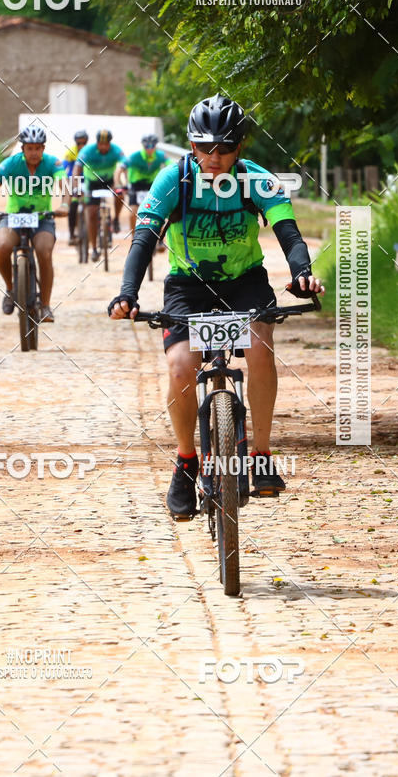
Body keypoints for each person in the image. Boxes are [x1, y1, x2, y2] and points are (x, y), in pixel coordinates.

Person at [108, 94, 325, 519]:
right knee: (179, 367)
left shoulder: (258, 180)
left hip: (245, 282)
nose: (214, 157)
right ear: (190, 147)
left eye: (224, 148)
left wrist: (302, 273)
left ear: (240, 147)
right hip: (188, 286)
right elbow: (144, 239)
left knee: (261, 350)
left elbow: (289, 234)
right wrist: (127, 292)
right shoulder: (173, 180)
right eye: (203, 147)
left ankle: (260, 453)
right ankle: (187, 460)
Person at [0, 124, 68, 322]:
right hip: (13, 217)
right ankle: (10, 289)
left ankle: (45, 305)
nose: (34, 152)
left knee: (44, 252)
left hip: (42, 218)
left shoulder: (53, 163)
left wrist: (65, 204)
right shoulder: (10, 163)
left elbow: (64, 184)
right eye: (29, 148)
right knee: (2, 247)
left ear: (43, 148)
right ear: (23, 149)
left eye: (37, 148)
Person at [73, 129, 125, 261]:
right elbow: (77, 168)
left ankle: (116, 219)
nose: (103, 147)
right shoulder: (87, 151)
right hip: (92, 182)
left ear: (110, 143)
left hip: (109, 181)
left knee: (120, 194)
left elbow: (126, 165)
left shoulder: (116, 150)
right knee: (91, 213)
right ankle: (94, 249)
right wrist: (76, 186)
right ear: (96, 143)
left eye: (106, 144)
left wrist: (125, 183)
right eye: (101, 144)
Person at [116, 135, 168, 234]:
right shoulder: (135, 156)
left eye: (152, 146)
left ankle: (159, 238)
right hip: (136, 186)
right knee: (133, 212)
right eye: (147, 146)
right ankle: (133, 238)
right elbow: (119, 169)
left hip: (152, 185)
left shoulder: (160, 155)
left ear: (155, 146)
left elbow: (171, 165)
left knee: (159, 211)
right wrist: (119, 184)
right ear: (143, 146)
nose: (150, 149)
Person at [62, 129, 89, 245]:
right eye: (79, 143)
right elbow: (64, 169)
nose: (81, 146)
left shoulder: (90, 151)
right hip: (74, 180)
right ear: (76, 143)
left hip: (87, 180)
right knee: (72, 206)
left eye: (84, 143)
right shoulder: (71, 152)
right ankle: (72, 234)